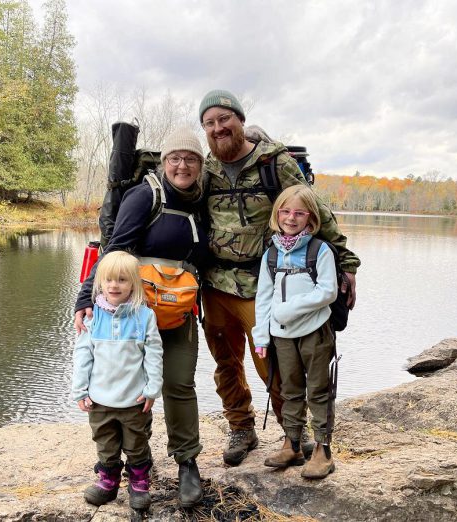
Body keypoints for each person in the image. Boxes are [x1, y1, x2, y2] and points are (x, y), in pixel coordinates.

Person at [198, 89, 360, 466]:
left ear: (239, 120)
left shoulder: (274, 162)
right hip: (213, 284)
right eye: (210, 122)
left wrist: (346, 264)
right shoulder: (206, 167)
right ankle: (241, 428)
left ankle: (295, 433)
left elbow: (315, 209)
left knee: (273, 364)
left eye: (225, 119)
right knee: (226, 363)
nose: (219, 128)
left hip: (263, 287)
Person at [74, 127, 207, 507]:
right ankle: (117, 470)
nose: (183, 165)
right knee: (123, 392)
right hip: (135, 311)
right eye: (175, 158)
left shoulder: (202, 198)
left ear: (200, 165)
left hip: (179, 311)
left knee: (178, 384)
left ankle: (187, 464)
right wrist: (87, 295)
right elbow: (115, 249)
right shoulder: (144, 195)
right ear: (165, 162)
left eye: (191, 158)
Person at [253, 185, 338, 478]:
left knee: (318, 390)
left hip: (315, 332)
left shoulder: (320, 250)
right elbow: (263, 298)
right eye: (286, 211)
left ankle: (322, 450)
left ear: (310, 218)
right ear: (277, 215)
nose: (291, 217)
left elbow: (328, 291)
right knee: (289, 390)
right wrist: (261, 335)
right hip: (281, 335)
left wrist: (292, 308)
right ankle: (292, 444)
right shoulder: (271, 255)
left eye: (299, 212)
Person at [72, 251, 163, 510]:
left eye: (122, 280)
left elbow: (154, 354)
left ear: (134, 283)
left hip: (134, 400)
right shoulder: (92, 317)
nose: (114, 286)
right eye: (109, 280)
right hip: (99, 400)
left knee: (137, 444)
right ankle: (108, 481)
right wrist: (80, 390)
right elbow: (82, 355)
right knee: (105, 444)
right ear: (100, 283)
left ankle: (138, 483)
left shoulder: (144, 316)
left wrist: (152, 388)